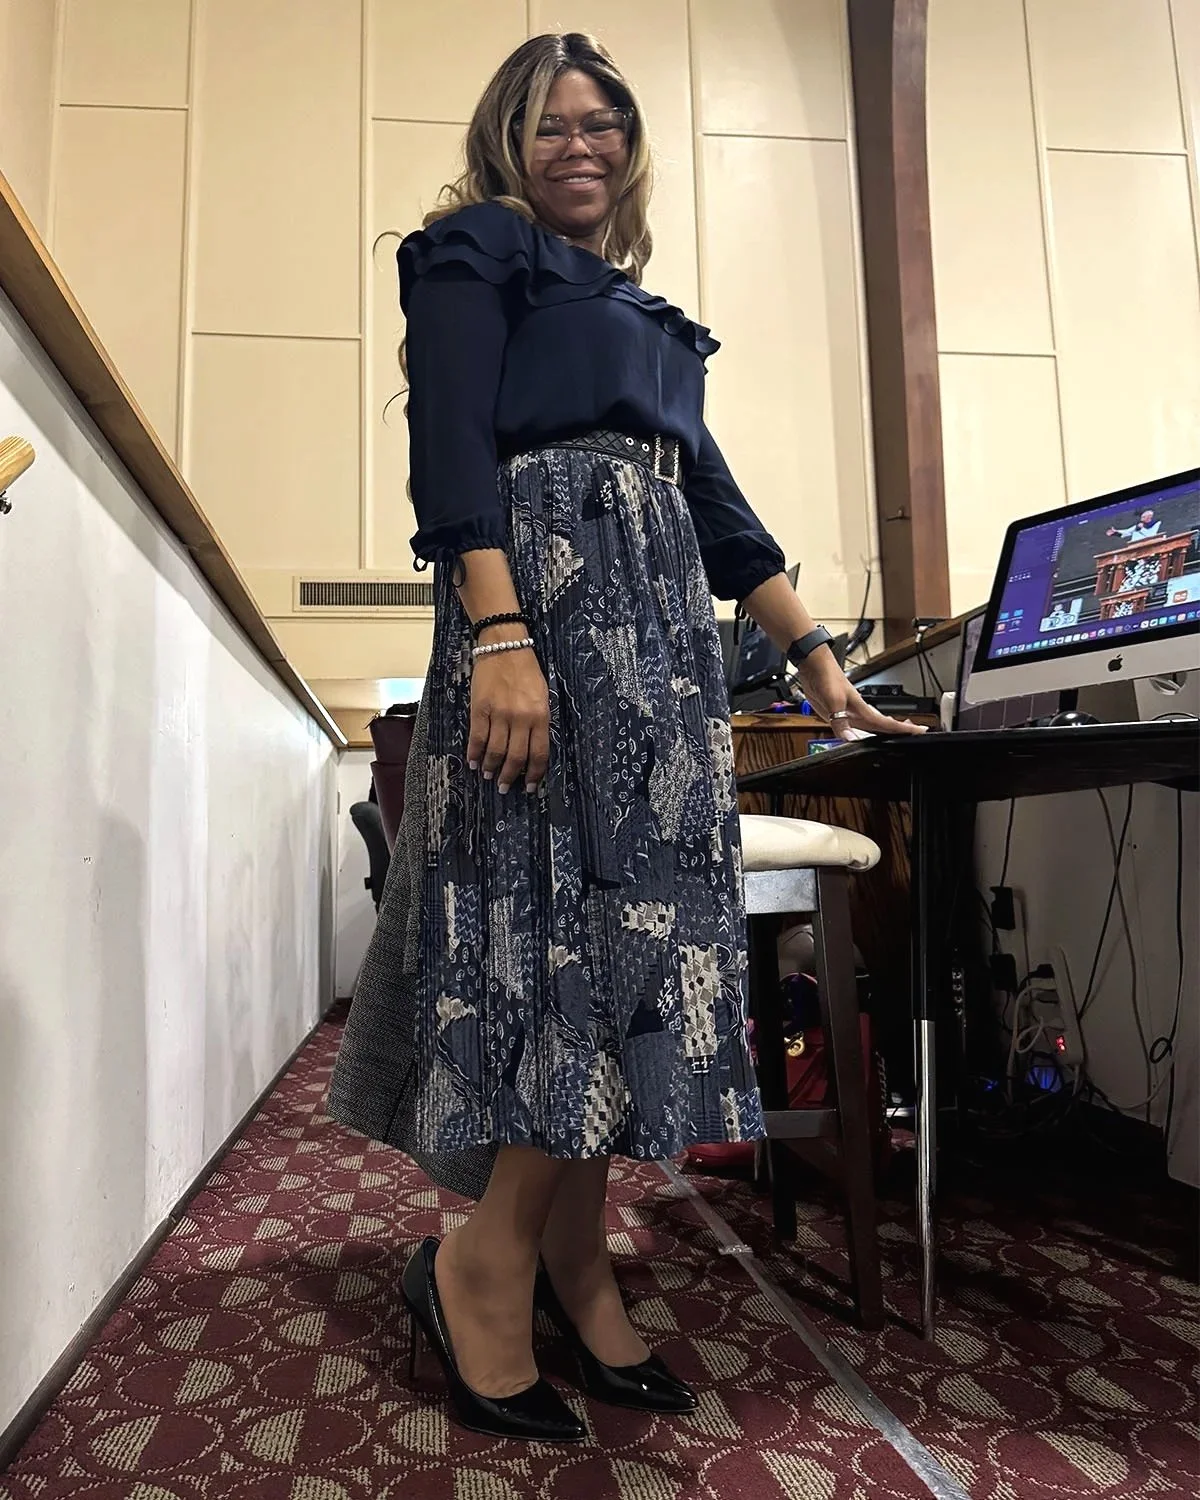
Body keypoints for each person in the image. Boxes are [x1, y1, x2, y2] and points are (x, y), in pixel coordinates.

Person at [327, 32, 921, 1444]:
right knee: (558, 944)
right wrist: (505, 637)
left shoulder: (644, 316)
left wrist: (821, 663)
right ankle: (484, 1260)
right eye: (548, 123)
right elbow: (453, 449)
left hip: (658, 633)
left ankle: (575, 1261)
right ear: (506, 141)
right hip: (541, 600)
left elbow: (718, 505)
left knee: (643, 939)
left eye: (604, 122)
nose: (578, 144)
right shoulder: (480, 247)